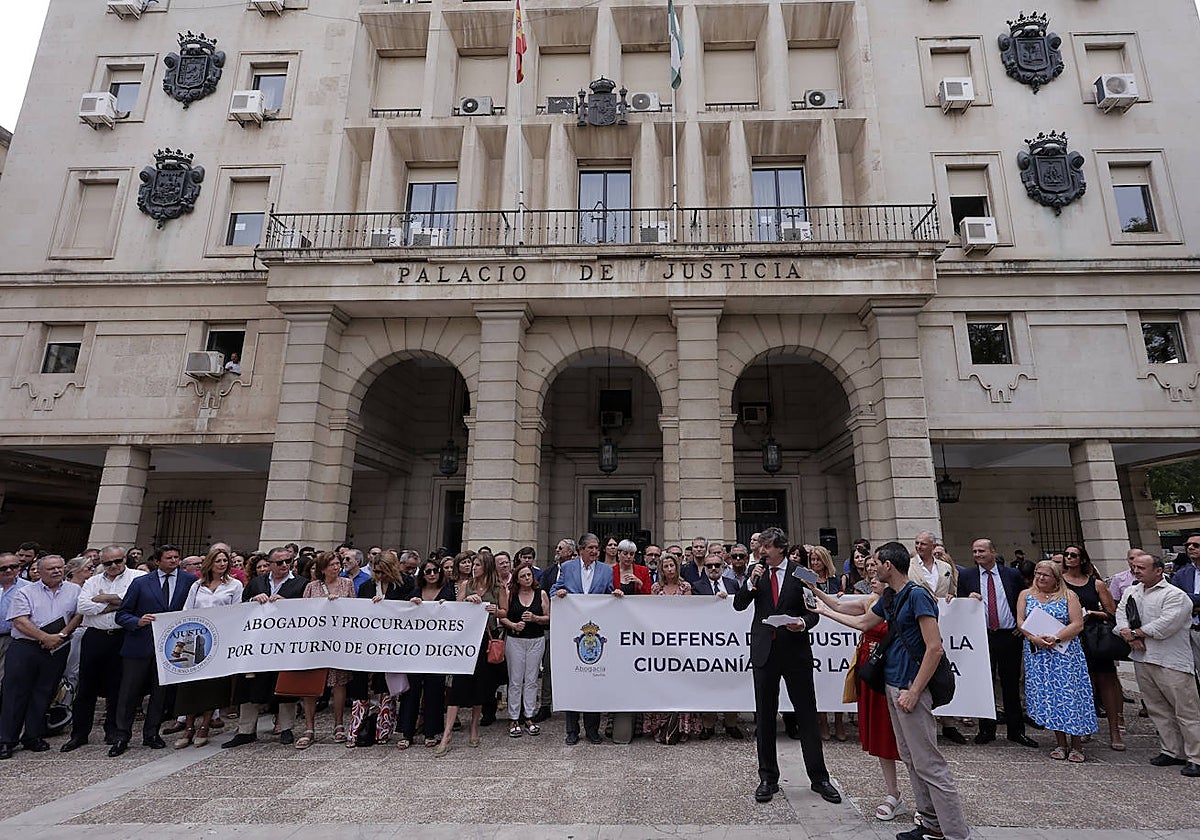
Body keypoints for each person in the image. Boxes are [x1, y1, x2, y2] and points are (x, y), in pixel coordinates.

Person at [815, 541, 971, 840]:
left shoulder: (917, 596)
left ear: (889, 565)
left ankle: (954, 832)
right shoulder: (891, 597)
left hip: (910, 687)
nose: (872, 568)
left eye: (876, 563)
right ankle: (931, 823)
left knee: (929, 762)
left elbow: (934, 648)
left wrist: (914, 691)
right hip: (892, 684)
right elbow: (862, 621)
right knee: (911, 758)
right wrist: (823, 611)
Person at [732, 526, 839, 805]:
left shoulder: (802, 573)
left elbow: (813, 611)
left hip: (796, 652)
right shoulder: (756, 572)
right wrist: (750, 582)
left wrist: (802, 623)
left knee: (806, 715)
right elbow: (739, 605)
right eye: (760, 547)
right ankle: (767, 778)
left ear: (779, 548)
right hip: (765, 653)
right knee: (765, 717)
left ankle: (819, 778)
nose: (761, 551)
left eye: (765, 547)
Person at [810, 560, 903, 821]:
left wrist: (825, 612)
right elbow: (838, 605)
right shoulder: (870, 600)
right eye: (870, 575)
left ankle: (924, 797)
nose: (871, 579)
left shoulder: (903, 599)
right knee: (882, 735)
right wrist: (815, 590)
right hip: (870, 669)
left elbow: (862, 623)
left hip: (894, 668)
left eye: (876, 575)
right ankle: (893, 792)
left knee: (905, 735)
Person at [1116, 553, 1200, 777]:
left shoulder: (1176, 595)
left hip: (1171, 660)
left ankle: (1196, 756)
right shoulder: (1131, 591)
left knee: (1186, 710)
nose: (1136, 571)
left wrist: (1136, 632)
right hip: (1143, 658)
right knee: (1158, 708)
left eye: (1142, 567)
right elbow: (1120, 614)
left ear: (1158, 570)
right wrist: (1129, 636)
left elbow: (1166, 625)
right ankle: (1171, 750)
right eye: (1134, 567)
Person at [109, 545, 197, 756]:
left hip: (170, 648)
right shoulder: (140, 583)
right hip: (139, 644)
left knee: (160, 693)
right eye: (169, 558)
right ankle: (122, 735)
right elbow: (122, 614)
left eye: (177, 557)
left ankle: (152, 733)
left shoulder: (189, 581)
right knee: (129, 692)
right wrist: (137, 621)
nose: (174, 561)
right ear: (157, 561)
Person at [222, 546, 308, 749]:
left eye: (289, 561)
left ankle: (286, 728)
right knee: (249, 685)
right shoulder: (256, 583)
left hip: (285, 645)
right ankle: (246, 730)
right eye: (280, 563)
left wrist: (288, 604)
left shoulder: (300, 584)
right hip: (257, 644)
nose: (285, 565)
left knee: (285, 686)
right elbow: (241, 608)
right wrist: (253, 600)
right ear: (269, 564)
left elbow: (307, 612)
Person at [957, 538, 1037, 748]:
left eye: (982, 551)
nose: (978, 555)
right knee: (985, 684)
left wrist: (1022, 625)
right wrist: (968, 597)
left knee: (1010, 684)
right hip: (982, 636)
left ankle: (1016, 731)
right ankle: (986, 730)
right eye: (974, 552)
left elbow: (1024, 599)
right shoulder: (966, 576)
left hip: (1009, 636)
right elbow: (959, 602)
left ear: (993, 552)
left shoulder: (1011, 574)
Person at [0, 555, 82, 760]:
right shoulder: (25, 591)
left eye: (59, 568)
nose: (56, 571)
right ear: (40, 571)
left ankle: (33, 735)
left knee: (44, 692)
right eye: (51, 569)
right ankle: (6, 739)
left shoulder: (74, 590)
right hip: (26, 647)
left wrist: (61, 636)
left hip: (58, 646)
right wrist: (45, 637)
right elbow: (19, 621)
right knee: (15, 693)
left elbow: (78, 614)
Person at [1016, 561, 1095, 762]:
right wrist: (1033, 638)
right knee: (1050, 696)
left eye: (1046, 575)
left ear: (1056, 578)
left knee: (1070, 695)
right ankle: (1060, 742)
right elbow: (1020, 622)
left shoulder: (1069, 596)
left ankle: (1076, 744)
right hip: (1039, 654)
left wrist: (1057, 638)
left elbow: (1077, 624)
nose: (1041, 578)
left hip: (1065, 653)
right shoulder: (1026, 595)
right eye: (1038, 574)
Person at [550, 532, 619, 744]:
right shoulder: (568, 568)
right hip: (572, 632)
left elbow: (608, 595)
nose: (595, 551)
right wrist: (559, 592)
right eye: (591, 548)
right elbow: (553, 589)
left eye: (597, 548)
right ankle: (572, 731)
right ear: (580, 550)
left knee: (593, 682)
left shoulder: (606, 570)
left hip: (596, 634)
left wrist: (615, 594)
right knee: (572, 681)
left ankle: (591, 730)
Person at [436, 552, 506, 755]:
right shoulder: (467, 584)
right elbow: (457, 608)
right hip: (467, 641)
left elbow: (505, 611)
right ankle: (447, 733)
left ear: (487, 566)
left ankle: (474, 728)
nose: (473, 567)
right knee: (458, 684)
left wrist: (494, 610)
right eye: (473, 563)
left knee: (479, 685)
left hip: (485, 639)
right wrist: (467, 599)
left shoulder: (497, 587)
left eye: (477, 564)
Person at [173, 546, 243, 748]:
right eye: (218, 561)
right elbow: (188, 609)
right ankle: (188, 726)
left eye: (225, 561)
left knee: (212, 685)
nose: (222, 564)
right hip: (195, 637)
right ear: (210, 563)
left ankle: (204, 725)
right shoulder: (197, 585)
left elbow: (236, 611)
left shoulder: (234, 585)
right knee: (191, 683)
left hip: (219, 638)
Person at [1062, 543, 1125, 751]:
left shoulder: (1095, 584)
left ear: (1082, 560)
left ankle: (1114, 729)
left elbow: (1111, 613)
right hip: (1071, 638)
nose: (1069, 558)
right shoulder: (1059, 583)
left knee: (1105, 680)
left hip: (1094, 636)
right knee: (1083, 684)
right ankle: (1085, 725)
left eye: (1074, 555)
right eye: (1067, 555)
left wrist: (1090, 613)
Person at [350, 550, 416, 748]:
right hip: (369, 643)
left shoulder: (406, 584)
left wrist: (389, 605)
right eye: (376, 572)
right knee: (361, 685)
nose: (379, 576)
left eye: (383, 572)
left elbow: (409, 609)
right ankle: (357, 730)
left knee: (386, 685)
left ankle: (383, 730)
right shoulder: (366, 586)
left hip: (394, 642)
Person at [297, 552, 353, 749]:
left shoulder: (347, 584)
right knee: (310, 682)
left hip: (338, 641)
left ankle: (338, 724)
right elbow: (304, 612)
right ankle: (309, 727)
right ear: (322, 569)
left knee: (339, 682)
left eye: (338, 564)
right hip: (315, 641)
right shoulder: (311, 587)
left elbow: (353, 609)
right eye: (332, 565)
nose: (336, 567)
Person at [398, 557, 455, 749]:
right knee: (411, 692)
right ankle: (407, 732)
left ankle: (431, 732)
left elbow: (456, 616)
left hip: (438, 651)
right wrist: (410, 604)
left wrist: (447, 607)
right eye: (427, 571)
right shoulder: (414, 592)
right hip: (415, 651)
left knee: (434, 691)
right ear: (422, 574)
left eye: (435, 571)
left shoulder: (447, 592)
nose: (431, 574)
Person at [643, 552, 695, 743]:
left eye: (672, 566)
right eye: (666, 566)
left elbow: (689, 612)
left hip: (682, 640)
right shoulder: (656, 588)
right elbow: (652, 613)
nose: (670, 569)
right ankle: (660, 726)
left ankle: (681, 727)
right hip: (661, 641)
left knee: (682, 682)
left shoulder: (685, 586)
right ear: (662, 569)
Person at [500, 561, 549, 737]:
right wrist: (513, 625)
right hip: (515, 640)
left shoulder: (541, 594)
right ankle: (514, 718)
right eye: (523, 576)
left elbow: (549, 617)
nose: (527, 578)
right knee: (515, 680)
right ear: (517, 579)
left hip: (536, 640)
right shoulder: (510, 594)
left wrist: (536, 618)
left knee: (532, 679)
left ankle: (529, 716)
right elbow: (502, 616)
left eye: (529, 575)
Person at [1169, 537, 1200, 679]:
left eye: (1196, 545)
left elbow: (1183, 598)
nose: (1190, 548)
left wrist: (1190, 599)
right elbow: (1174, 598)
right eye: (1188, 545)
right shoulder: (1183, 573)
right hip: (1192, 629)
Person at [0, 552, 32, 690]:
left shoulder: (29, 588)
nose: (8, 570)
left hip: (12, 639)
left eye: (13, 566)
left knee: (6, 678)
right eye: (3, 568)